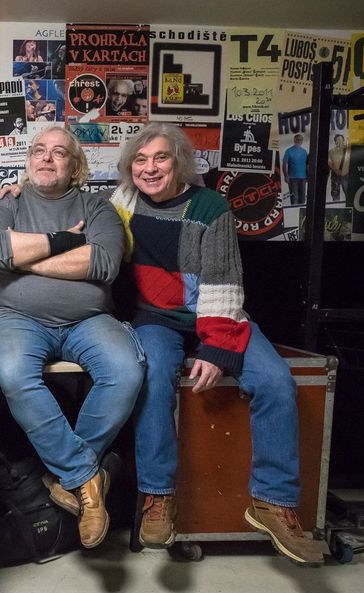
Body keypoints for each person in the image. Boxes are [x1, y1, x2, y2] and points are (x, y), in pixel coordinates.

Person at [108, 122, 323, 565]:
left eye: (161, 158)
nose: (150, 168)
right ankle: (158, 496)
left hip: (218, 313)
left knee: (276, 381)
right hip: (155, 319)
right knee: (152, 377)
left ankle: (273, 503)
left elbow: (224, 281)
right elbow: (70, 214)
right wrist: (16, 194)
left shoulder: (210, 206)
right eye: (140, 160)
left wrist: (216, 348)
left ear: (179, 163)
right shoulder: (121, 203)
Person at [0, 125, 144, 549]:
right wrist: (66, 242)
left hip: (89, 320)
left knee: (126, 371)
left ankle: (66, 474)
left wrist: (24, 258)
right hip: (18, 318)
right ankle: (87, 478)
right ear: (29, 160)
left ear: (76, 167)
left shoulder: (98, 207)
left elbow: (103, 263)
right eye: (39, 150)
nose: (47, 158)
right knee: (13, 373)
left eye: (58, 152)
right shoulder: (7, 204)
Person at [282, 133, 309, 205]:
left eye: (300, 139)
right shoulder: (288, 151)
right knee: (294, 199)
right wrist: (286, 176)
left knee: (302, 199)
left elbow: (307, 165)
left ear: (302, 141)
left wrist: (308, 175)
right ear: (294, 140)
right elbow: (284, 164)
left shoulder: (304, 152)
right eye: (297, 139)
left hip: (303, 178)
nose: (299, 141)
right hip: (292, 178)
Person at [328, 134, 350, 202]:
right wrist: (335, 170)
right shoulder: (331, 151)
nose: (339, 141)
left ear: (343, 140)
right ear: (335, 141)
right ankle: (336, 204)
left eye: (340, 139)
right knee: (335, 193)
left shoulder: (348, 150)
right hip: (335, 174)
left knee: (348, 192)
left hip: (346, 174)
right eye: (337, 140)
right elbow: (329, 162)